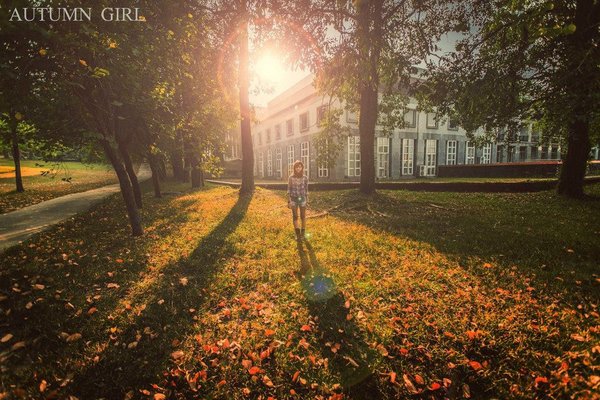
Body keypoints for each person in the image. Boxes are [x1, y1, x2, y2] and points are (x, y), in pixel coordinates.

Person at [287, 160, 308, 239]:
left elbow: (306, 190)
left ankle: (303, 233)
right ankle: (297, 234)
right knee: (295, 216)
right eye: (296, 167)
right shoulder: (291, 178)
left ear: (302, 167)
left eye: (300, 167)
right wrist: (289, 201)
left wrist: (307, 200)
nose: (298, 168)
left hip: (302, 199)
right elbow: (289, 189)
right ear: (294, 168)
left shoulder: (305, 178)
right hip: (293, 199)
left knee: (303, 216)